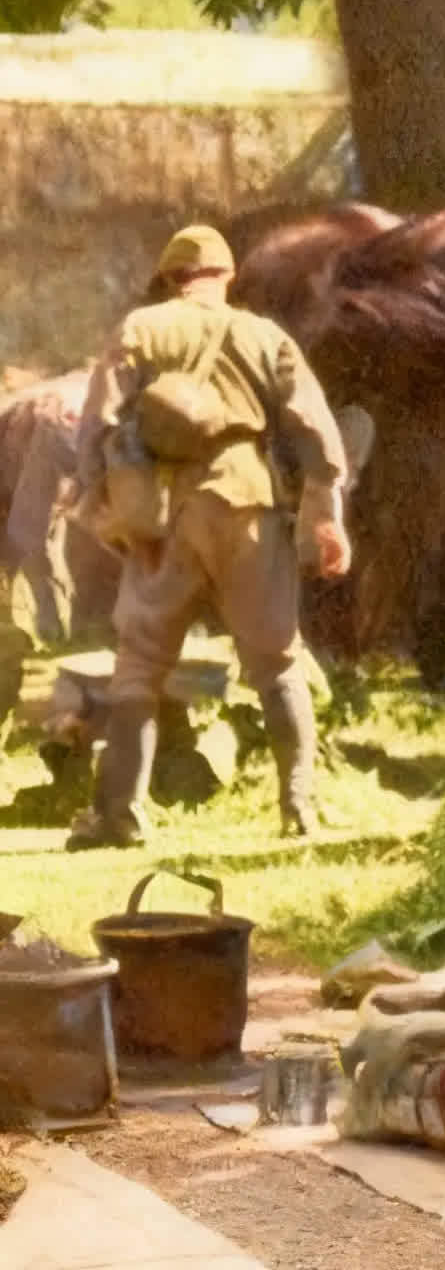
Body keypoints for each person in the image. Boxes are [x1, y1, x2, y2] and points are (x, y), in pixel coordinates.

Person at [65, 225, 352, 851]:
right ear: (227, 277)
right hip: (249, 507)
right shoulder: (264, 336)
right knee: (277, 661)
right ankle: (299, 806)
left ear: (170, 279)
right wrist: (325, 513)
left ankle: (120, 816)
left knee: (139, 666)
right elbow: (315, 430)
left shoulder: (140, 329)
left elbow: (98, 425)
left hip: (165, 517)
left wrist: (101, 503)